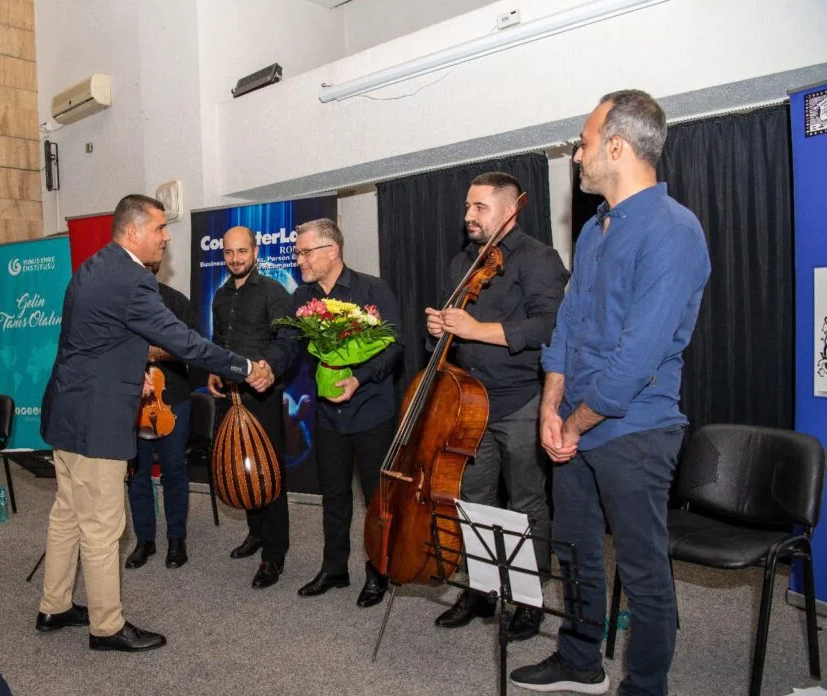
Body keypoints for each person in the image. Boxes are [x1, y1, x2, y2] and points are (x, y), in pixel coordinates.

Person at [511, 90, 710, 695]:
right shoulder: (596, 231)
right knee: (574, 551)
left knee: (643, 572)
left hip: (636, 431)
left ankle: (645, 687)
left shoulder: (673, 231)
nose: (578, 155)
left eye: (584, 143)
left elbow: (635, 360)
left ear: (617, 146)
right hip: (574, 422)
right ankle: (579, 660)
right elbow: (568, 326)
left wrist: (571, 425)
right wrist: (551, 407)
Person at [36, 194, 272, 653]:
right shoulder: (132, 280)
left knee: (67, 515)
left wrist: (132, 367)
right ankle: (106, 627)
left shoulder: (92, 267)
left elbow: (92, 339)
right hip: (96, 422)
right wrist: (245, 367)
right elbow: (185, 343)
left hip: (66, 410)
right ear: (133, 232)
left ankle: (54, 606)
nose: (166, 237)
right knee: (103, 526)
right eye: (160, 228)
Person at [425, 171, 568, 640]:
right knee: (474, 498)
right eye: (468, 206)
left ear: (509, 210)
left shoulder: (539, 258)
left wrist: (475, 330)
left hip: (522, 399)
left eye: (480, 207)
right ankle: (482, 589)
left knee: (526, 503)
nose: (469, 215)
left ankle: (529, 599)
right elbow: (455, 326)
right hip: (470, 402)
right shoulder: (462, 263)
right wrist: (441, 327)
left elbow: (549, 326)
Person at [282, 218, 404, 609]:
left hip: (371, 412)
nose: (299, 260)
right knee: (333, 493)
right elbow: (286, 344)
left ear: (332, 250)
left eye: (305, 252)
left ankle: (378, 571)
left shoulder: (372, 289)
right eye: (297, 252)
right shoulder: (302, 298)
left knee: (375, 499)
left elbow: (393, 346)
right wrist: (262, 368)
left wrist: (359, 377)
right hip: (327, 414)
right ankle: (334, 568)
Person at [208, 225, 294, 589]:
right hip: (229, 396)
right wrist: (214, 369)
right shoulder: (220, 296)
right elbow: (219, 341)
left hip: (262, 395)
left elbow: (287, 339)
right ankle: (256, 533)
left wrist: (267, 368)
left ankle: (274, 554)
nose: (235, 259)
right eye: (229, 252)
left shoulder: (273, 292)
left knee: (268, 473)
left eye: (242, 251)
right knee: (240, 469)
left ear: (255, 252)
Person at [125, 262, 195, 571]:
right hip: (132, 401)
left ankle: (177, 539)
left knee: (174, 471)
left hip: (173, 400)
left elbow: (191, 349)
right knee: (137, 474)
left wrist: (153, 353)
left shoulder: (177, 301)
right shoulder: (121, 303)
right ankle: (145, 541)